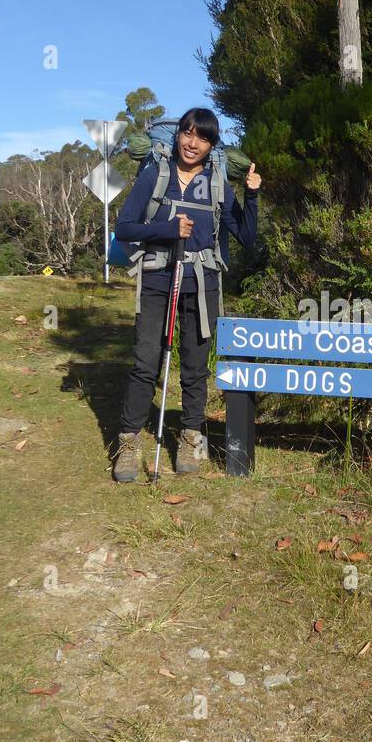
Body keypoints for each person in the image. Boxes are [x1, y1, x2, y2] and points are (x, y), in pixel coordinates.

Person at [111, 107, 261, 481]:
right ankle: (128, 443)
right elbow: (125, 227)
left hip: (203, 281)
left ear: (212, 145)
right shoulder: (154, 174)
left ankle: (191, 437)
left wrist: (252, 196)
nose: (193, 143)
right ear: (177, 135)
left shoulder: (216, 182)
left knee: (195, 370)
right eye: (188, 134)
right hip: (158, 279)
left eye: (203, 138)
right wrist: (166, 229)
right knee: (145, 364)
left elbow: (246, 237)